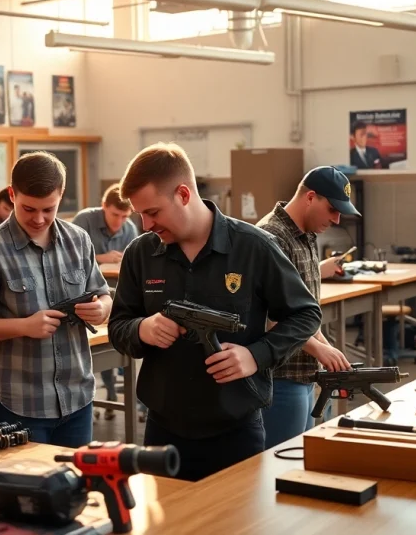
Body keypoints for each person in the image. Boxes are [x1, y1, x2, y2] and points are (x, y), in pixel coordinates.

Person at [107, 143, 322, 481]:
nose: (146, 224)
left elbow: (306, 314)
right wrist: (142, 329)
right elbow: (118, 325)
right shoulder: (141, 254)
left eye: (153, 212)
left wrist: (256, 355)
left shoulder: (253, 247)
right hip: (163, 430)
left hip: (235, 431)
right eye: (140, 215)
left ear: (183, 194)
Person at [0, 153, 112, 447]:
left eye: (48, 209)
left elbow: (103, 294)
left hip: (77, 397)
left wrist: (101, 308)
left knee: (74, 476)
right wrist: (23, 326)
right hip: (20, 404)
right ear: (12, 194)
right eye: (28, 209)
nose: (39, 219)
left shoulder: (79, 240)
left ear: (61, 195)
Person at [255, 166, 358, 449]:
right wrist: (320, 350)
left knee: (300, 458)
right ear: (310, 197)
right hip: (281, 377)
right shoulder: (272, 237)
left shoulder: (307, 235)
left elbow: (304, 312)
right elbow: (271, 317)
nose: (336, 219)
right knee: (278, 462)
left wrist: (328, 350)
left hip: (304, 374)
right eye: (332, 209)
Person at [71, 184, 138, 420]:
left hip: (115, 295)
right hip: (85, 296)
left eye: (125, 216)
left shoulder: (130, 229)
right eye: (115, 214)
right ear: (103, 207)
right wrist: (100, 258)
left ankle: (122, 395)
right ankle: (107, 392)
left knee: (120, 341)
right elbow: (69, 260)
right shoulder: (84, 221)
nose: (119, 222)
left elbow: (134, 268)